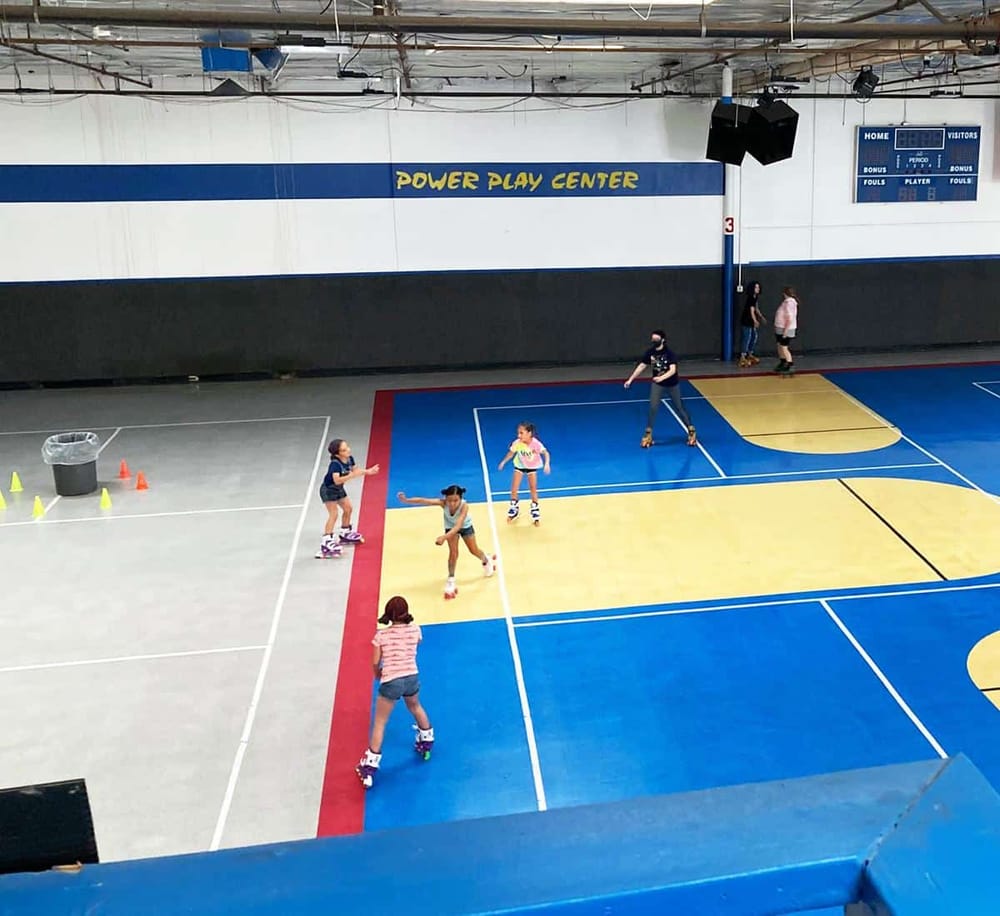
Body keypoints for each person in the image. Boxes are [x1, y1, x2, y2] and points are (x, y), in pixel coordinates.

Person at [356, 595, 434, 789]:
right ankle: (426, 740)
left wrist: (378, 674)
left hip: (391, 680)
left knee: (380, 722)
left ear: (389, 614)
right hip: (411, 677)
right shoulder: (416, 630)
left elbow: (376, 662)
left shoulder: (381, 636)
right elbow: (415, 646)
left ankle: (369, 767)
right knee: (415, 706)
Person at [396, 485, 495, 599]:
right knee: (453, 553)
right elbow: (424, 500)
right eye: (449, 500)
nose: (452, 503)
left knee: (473, 550)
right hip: (449, 527)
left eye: (455, 500)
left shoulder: (464, 506)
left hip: (464, 527)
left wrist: (444, 537)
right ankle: (451, 579)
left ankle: (486, 560)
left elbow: (458, 526)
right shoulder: (443, 503)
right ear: (445, 498)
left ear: (460, 499)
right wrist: (406, 500)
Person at [623, 329, 697, 448]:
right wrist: (630, 379)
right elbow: (642, 366)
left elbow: (673, 370)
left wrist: (661, 378)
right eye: (653, 339)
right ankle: (648, 434)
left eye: (656, 339)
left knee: (679, 407)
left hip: (672, 384)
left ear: (663, 340)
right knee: (653, 407)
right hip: (658, 384)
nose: (654, 341)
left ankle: (691, 430)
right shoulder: (650, 353)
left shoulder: (670, 353)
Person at [316, 439, 379, 559]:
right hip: (329, 490)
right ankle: (326, 541)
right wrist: (351, 476)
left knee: (348, 509)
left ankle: (345, 532)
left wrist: (368, 471)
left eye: (347, 447)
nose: (348, 450)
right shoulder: (335, 464)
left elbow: (356, 470)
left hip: (339, 489)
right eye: (344, 450)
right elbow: (336, 480)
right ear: (337, 454)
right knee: (333, 515)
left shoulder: (350, 459)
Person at [497, 422, 551, 526]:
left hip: (531, 467)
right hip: (519, 466)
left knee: (533, 489)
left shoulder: (536, 444)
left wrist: (547, 464)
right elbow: (511, 453)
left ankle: (535, 511)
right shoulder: (517, 443)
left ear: (529, 433)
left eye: (521, 433)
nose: (519, 435)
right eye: (518, 433)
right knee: (514, 488)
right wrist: (503, 462)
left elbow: (546, 453)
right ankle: (514, 508)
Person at [738, 280, 766, 368]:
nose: (758, 289)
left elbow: (756, 308)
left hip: (751, 319)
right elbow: (751, 310)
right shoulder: (750, 298)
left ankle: (750, 353)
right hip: (747, 320)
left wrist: (761, 316)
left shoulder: (755, 297)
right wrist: (755, 320)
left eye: (758, 287)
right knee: (747, 337)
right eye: (756, 287)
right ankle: (742, 356)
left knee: (754, 336)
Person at [774, 287, 799, 374]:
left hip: (785, 329)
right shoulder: (786, 302)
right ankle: (783, 361)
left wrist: (785, 331)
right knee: (779, 345)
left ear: (784, 293)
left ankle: (790, 364)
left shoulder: (789, 303)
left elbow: (789, 318)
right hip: (780, 328)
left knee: (784, 347)